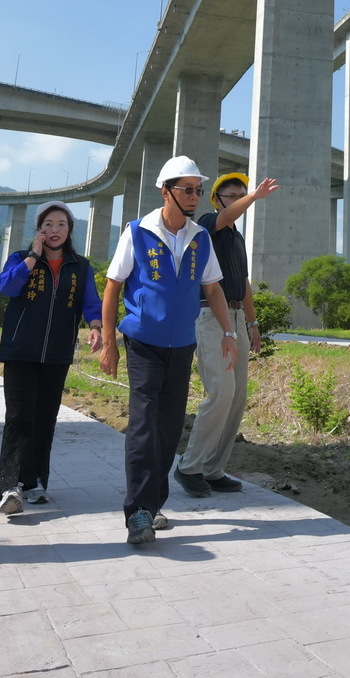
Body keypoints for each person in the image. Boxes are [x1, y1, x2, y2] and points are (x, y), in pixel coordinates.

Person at [98, 156, 237, 545]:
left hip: (183, 344)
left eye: (197, 190)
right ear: (166, 192)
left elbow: (213, 288)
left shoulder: (201, 237)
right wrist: (109, 342)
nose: (195, 196)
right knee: (143, 423)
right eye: (187, 189)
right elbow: (112, 285)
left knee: (169, 426)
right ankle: (138, 511)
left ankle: (154, 504)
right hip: (142, 341)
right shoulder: (137, 232)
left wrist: (229, 332)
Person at [174, 172, 277, 497]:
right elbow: (226, 217)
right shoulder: (208, 225)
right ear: (218, 200)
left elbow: (244, 283)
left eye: (242, 194)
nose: (239, 199)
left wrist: (253, 323)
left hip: (236, 317)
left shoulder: (238, 238)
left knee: (237, 397)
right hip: (210, 316)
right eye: (232, 195)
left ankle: (214, 469)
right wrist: (255, 197)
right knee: (220, 392)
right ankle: (188, 466)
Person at [0, 201, 102, 515]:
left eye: (61, 225)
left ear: (69, 231)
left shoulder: (79, 266)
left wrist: (95, 327)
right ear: (39, 229)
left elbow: (91, 302)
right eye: (48, 224)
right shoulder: (19, 259)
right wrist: (32, 257)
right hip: (20, 352)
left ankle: (35, 481)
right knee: (18, 418)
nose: (54, 230)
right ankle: (9, 486)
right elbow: (8, 287)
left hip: (57, 354)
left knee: (45, 419)